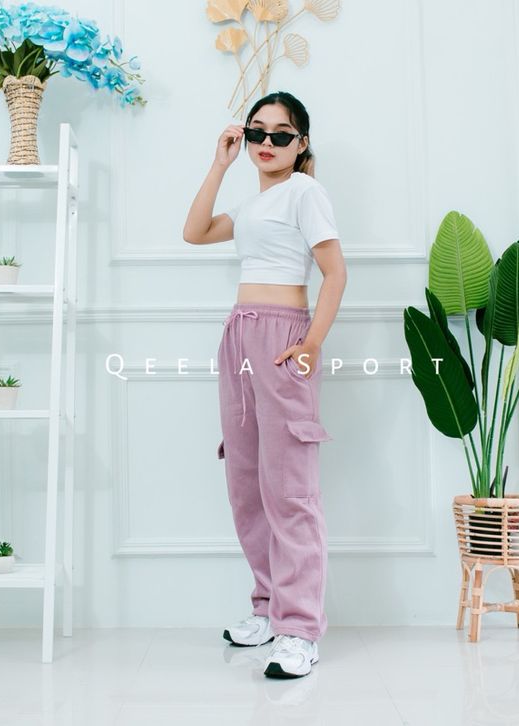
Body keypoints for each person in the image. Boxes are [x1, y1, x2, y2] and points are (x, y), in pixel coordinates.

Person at [183, 91, 347, 678]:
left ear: (301, 144)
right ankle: (268, 608)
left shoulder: (305, 192)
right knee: (246, 481)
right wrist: (220, 163)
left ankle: (299, 629)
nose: (267, 144)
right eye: (257, 132)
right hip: (240, 333)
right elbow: (194, 231)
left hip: (283, 336)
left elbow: (335, 273)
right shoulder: (252, 204)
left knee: (289, 486)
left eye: (281, 134)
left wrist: (311, 343)